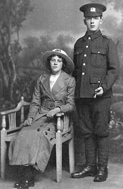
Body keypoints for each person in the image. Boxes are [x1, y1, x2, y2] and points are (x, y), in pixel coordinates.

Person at [9, 49, 76, 189]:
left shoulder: (69, 80)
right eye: (53, 60)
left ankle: (28, 177)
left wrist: (58, 110)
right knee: (24, 133)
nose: (55, 62)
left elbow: (70, 105)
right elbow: (35, 102)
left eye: (59, 60)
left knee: (38, 135)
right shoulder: (42, 79)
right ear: (49, 62)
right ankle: (26, 175)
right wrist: (30, 118)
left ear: (63, 64)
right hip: (41, 114)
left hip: (59, 119)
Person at [71, 3, 119, 182]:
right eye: (89, 18)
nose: (92, 21)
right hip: (82, 95)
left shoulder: (107, 43)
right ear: (85, 21)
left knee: (101, 131)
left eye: (95, 18)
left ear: (101, 20)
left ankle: (102, 168)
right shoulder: (79, 43)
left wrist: (104, 87)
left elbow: (114, 70)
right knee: (86, 131)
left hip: (101, 96)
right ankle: (90, 166)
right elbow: (76, 71)